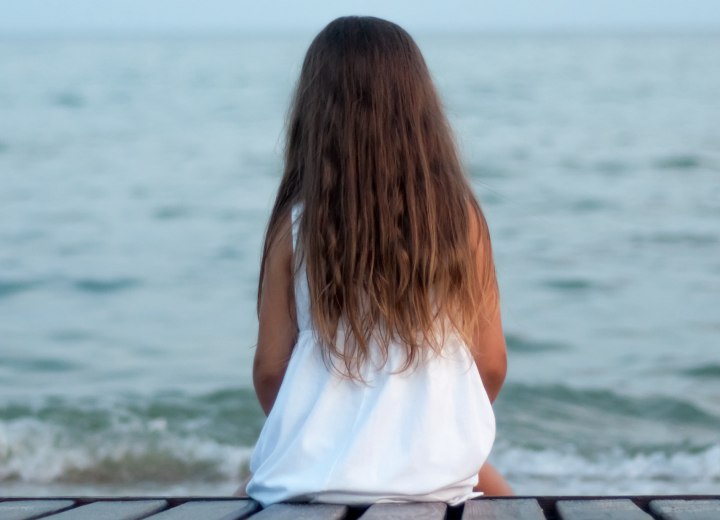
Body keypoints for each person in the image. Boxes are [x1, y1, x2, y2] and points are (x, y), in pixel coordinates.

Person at [242, 15, 511, 507]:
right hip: (435, 481)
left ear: (313, 111)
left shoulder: (295, 226)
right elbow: (490, 363)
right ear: (421, 109)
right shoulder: (461, 221)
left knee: (245, 485)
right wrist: (438, 430)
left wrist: (313, 436)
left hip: (309, 483)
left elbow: (268, 371)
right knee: (500, 493)